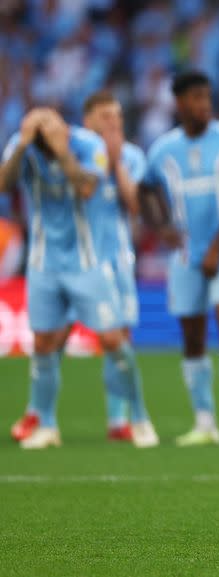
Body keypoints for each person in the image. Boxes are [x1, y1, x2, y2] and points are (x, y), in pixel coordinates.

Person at [1, 108, 157, 449]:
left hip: (87, 263)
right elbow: (4, 183)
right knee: (43, 344)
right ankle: (46, 425)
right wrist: (23, 143)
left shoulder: (88, 145)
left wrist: (62, 152)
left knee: (114, 339)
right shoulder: (22, 146)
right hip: (43, 263)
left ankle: (140, 416)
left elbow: (87, 187)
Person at [140, 71, 219, 447]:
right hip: (186, 256)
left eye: (206, 97)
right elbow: (145, 189)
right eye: (195, 98)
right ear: (179, 103)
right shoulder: (162, 149)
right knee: (191, 335)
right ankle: (204, 421)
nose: (203, 104)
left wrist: (216, 247)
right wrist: (161, 228)